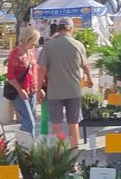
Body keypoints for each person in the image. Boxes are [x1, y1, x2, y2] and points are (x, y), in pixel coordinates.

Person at [38, 19, 93, 147]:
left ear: (58, 29)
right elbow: (85, 66)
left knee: (56, 126)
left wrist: (38, 89)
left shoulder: (49, 46)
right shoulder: (78, 45)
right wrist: (90, 79)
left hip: (55, 91)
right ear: (71, 29)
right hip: (74, 91)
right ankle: (74, 159)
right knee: (73, 124)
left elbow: (41, 70)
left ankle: (59, 159)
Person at [6, 26, 40, 136]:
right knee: (29, 121)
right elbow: (10, 76)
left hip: (32, 90)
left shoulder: (31, 52)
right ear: (28, 39)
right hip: (20, 91)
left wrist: (40, 88)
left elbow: (35, 70)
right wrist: (20, 90)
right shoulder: (16, 53)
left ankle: (26, 145)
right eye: (34, 42)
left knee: (31, 121)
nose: (35, 45)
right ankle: (26, 147)